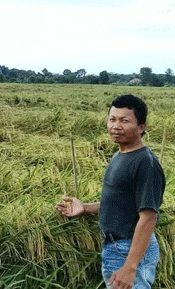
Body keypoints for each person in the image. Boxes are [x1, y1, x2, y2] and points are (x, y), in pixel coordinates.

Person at [56, 94, 165, 289]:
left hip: (129, 250)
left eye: (124, 121)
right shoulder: (119, 155)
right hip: (114, 247)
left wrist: (130, 267)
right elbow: (123, 203)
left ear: (142, 127)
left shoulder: (145, 164)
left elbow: (148, 217)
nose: (116, 126)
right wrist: (85, 208)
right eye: (112, 119)